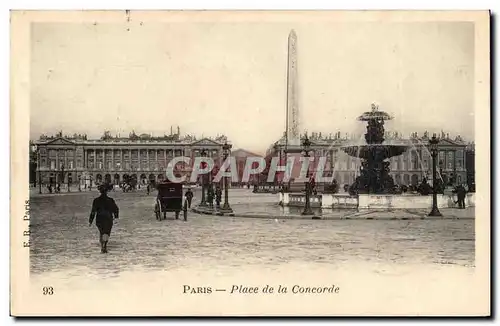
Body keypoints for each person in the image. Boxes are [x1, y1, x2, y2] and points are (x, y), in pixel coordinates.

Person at [89, 184, 119, 254]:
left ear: (100, 191)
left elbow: (93, 211)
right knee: (106, 232)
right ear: (107, 192)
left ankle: (102, 245)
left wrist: (90, 220)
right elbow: (116, 209)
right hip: (108, 218)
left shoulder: (96, 200)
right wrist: (116, 217)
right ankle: (104, 245)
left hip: (99, 218)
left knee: (102, 232)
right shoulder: (110, 200)